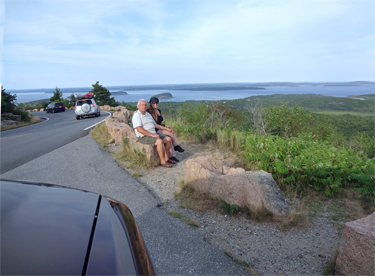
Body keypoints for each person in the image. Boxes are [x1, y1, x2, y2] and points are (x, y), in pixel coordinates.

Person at [132, 99, 176, 168]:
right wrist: (152, 135)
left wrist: (167, 129)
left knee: (168, 139)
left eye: (145, 105)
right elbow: (139, 129)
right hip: (143, 136)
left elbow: (156, 125)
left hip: (153, 134)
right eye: (142, 105)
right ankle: (162, 161)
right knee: (159, 141)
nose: (144, 106)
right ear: (138, 106)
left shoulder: (148, 114)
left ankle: (166, 159)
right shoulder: (137, 116)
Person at [147, 97, 184, 162]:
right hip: (155, 130)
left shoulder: (159, 110)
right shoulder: (149, 111)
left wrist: (163, 126)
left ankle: (171, 156)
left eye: (156, 103)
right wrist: (136, 112)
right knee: (170, 134)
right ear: (150, 103)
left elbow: (159, 121)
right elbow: (141, 111)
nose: (155, 104)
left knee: (169, 137)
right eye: (153, 103)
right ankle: (176, 146)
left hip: (160, 127)